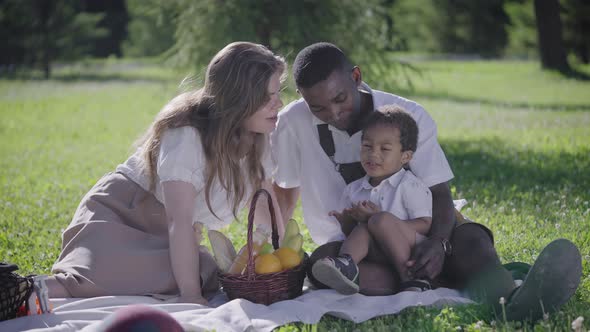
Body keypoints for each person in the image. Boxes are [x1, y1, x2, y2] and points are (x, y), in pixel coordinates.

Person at [270, 42, 582, 320]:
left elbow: (439, 192)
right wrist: (273, 246)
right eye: (319, 107)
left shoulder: (408, 114)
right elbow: (285, 188)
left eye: (340, 99)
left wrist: (438, 243)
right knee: (320, 266)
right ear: (302, 97)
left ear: (356, 77)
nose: (334, 113)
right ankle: (445, 280)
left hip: (422, 234)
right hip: (358, 247)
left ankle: (512, 302)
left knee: (472, 241)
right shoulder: (292, 122)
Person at [46, 42, 286, 306]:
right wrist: (191, 296)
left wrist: (282, 260)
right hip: (121, 216)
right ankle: (28, 289)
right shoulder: (187, 135)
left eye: (278, 93)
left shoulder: (258, 137)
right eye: (268, 97)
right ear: (240, 99)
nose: (280, 104)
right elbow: (178, 221)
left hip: (165, 236)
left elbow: (265, 209)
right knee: (91, 281)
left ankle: (160, 279)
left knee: (206, 273)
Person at [312, 106, 434, 294]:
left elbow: (425, 224)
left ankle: (411, 279)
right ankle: (347, 266)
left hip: (409, 251)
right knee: (363, 228)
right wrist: (348, 224)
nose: (373, 154)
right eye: (367, 146)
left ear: (405, 156)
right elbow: (354, 235)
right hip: (377, 255)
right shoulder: (354, 190)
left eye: (384, 149)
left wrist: (383, 222)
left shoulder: (410, 185)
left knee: (378, 220)